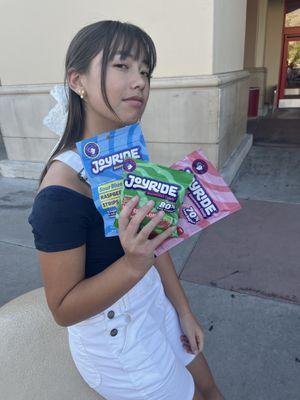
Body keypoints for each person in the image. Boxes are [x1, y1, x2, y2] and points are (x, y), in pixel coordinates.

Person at [28, 20, 224, 400]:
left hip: (155, 304)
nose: (140, 82)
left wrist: (182, 309)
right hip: (118, 342)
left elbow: (151, 244)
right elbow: (64, 310)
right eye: (122, 65)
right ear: (76, 80)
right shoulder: (60, 195)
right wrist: (133, 264)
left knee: (210, 388)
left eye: (146, 71)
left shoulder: (124, 160)